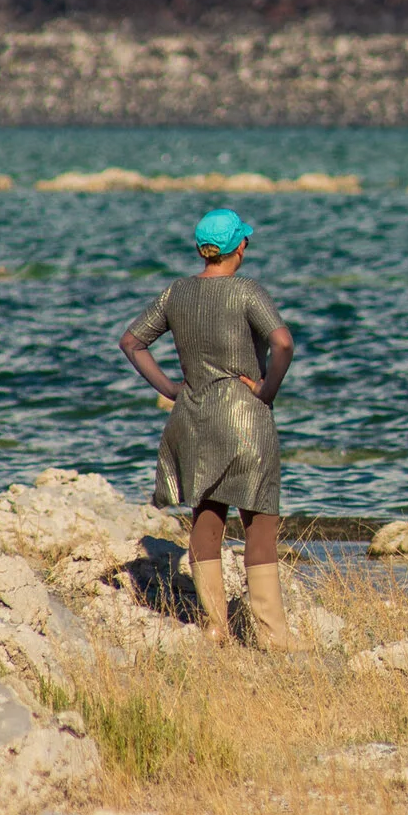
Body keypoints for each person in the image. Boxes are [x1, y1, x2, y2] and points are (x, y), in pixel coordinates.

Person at [119, 207, 301, 649]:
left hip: (196, 416)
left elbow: (131, 341)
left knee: (207, 516)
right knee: (259, 523)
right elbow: (283, 342)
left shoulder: (177, 293)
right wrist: (265, 390)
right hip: (245, 417)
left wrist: (172, 387)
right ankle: (273, 636)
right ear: (239, 246)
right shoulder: (246, 291)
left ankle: (216, 626)